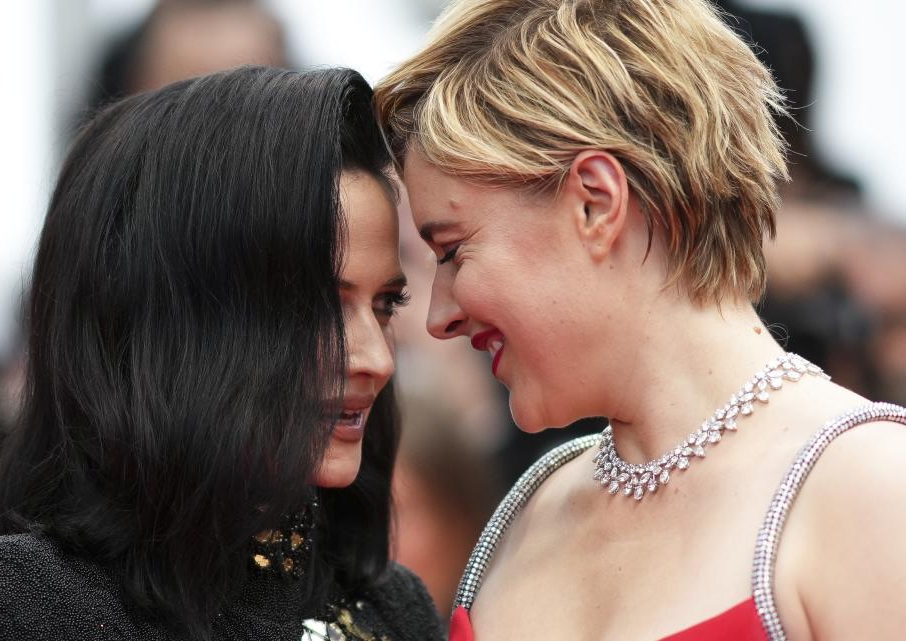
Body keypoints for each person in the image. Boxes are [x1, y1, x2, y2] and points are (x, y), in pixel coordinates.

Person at [374, 1, 906, 640]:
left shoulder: (872, 488)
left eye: (454, 251)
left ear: (597, 203)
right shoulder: (528, 509)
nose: (440, 316)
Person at [0, 66, 444, 641]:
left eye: (385, 306)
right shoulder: (37, 599)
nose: (375, 360)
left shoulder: (392, 605)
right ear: (175, 320)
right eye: (315, 309)